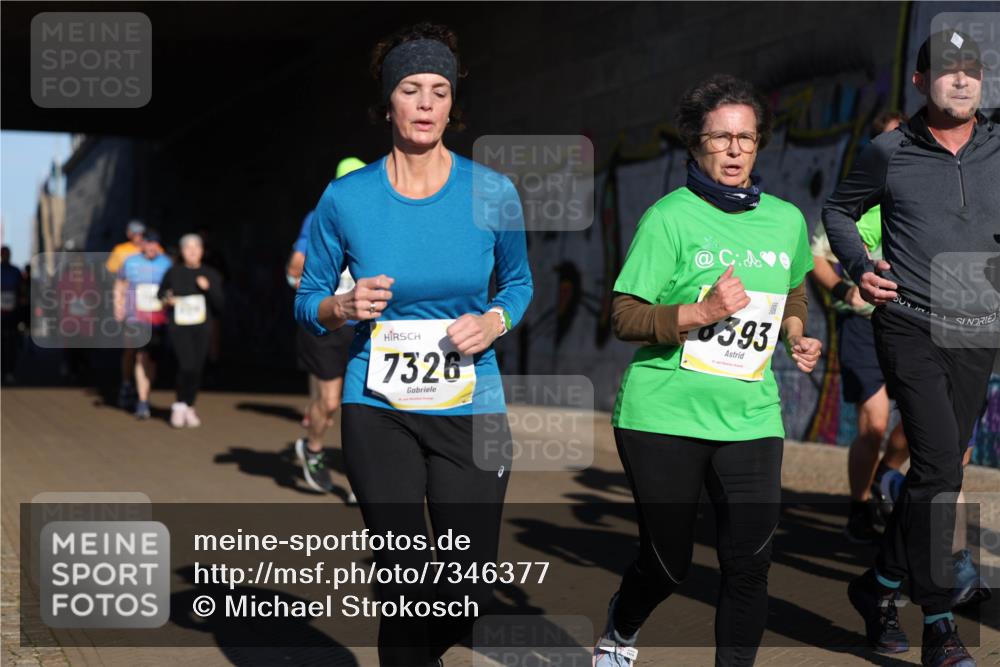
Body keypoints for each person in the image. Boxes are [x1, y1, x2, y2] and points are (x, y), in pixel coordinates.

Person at [295, 22, 532, 666]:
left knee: (465, 591)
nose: (426, 104)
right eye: (410, 89)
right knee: (404, 583)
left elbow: (518, 283)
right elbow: (308, 302)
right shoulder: (346, 198)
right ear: (387, 102)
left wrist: (494, 321)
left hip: (471, 402)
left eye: (439, 91)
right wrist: (342, 306)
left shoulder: (492, 192)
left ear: (452, 104)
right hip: (378, 405)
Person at [594, 74, 821, 667]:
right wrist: (702, 312)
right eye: (721, 138)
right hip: (664, 414)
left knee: (749, 565)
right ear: (696, 144)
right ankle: (620, 630)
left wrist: (796, 333)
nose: (735, 150)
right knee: (668, 565)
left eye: (746, 138)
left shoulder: (786, 220)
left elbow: (793, 292)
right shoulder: (668, 218)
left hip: (750, 415)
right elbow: (624, 316)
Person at [824, 29, 998, 667]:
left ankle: (878, 586)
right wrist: (857, 265)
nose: (962, 78)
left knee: (936, 472)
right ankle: (940, 622)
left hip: (978, 331)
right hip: (909, 322)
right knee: (940, 470)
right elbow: (838, 212)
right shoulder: (889, 150)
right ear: (922, 82)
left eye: (971, 69)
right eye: (947, 69)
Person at [809, 111, 910, 544]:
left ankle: (886, 475)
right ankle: (859, 507)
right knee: (873, 423)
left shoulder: (925, 193)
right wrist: (843, 290)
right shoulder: (856, 197)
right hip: (865, 325)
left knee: (922, 425)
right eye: (891, 141)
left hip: (914, 326)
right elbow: (817, 256)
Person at [287, 156, 366, 497]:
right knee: (330, 402)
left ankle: (364, 477)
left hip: (368, 325)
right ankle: (314, 448)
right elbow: (295, 268)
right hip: (331, 320)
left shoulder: (381, 217)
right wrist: (311, 289)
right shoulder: (319, 217)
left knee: (367, 407)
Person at [158, 234, 224, 428]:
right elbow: (161, 294)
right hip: (179, 326)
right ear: (182, 251)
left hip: (202, 327)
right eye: (188, 247)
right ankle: (179, 405)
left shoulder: (211, 274)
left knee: (197, 367)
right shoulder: (173, 272)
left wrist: (208, 288)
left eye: (196, 247)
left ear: (202, 251)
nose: (193, 251)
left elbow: (220, 304)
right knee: (186, 364)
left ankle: (189, 405)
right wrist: (167, 299)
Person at [114, 230, 172, 420]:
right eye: (149, 242)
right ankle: (136, 394)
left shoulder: (167, 263)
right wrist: (118, 306)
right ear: (142, 244)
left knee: (151, 359)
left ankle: (144, 394)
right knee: (138, 354)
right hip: (135, 317)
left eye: (155, 243)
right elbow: (120, 284)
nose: (152, 246)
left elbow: (172, 287)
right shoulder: (130, 262)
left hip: (157, 318)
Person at [106, 220, 147, 408]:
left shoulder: (153, 248)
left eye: (141, 233)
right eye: (135, 233)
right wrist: (118, 304)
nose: (139, 236)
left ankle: (142, 388)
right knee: (130, 349)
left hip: (149, 307)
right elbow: (113, 278)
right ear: (129, 234)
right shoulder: (121, 251)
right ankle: (127, 383)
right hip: (130, 307)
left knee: (146, 352)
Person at [1, 246, 24, 384]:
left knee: (10, 343)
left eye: (7, 254)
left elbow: (21, 291)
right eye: (3, 254)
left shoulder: (15, 271)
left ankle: (9, 370)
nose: (5, 256)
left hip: (12, 314)